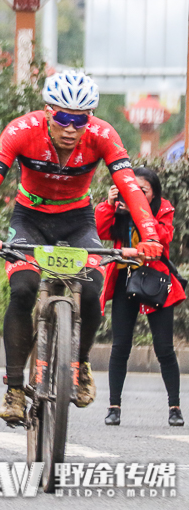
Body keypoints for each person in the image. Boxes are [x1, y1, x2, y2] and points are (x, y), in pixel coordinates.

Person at [0, 70, 163, 425]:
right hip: (30, 219)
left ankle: (80, 361)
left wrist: (150, 236)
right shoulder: (21, 130)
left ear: (90, 118)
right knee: (23, 289)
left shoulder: (103, 135)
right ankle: (14, 387)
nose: (71, 129)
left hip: (77, 221)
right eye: (63, 118)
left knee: (91, 292)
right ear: (47, 111)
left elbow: (130, 187)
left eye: (80, 120)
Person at [95, 167, 185, 427]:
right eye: (130, 190)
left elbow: (162, 238)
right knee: (120, 346)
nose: (134, 195)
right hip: (125, 281)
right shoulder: (119, 210)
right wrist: (109, 204)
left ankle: (175, 408)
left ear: (154, 193)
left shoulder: (163, 210)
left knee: (164, 349)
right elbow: (101, 231)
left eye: (141, 191)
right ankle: (114, 407)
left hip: (155, 281)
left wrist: (138, 211)